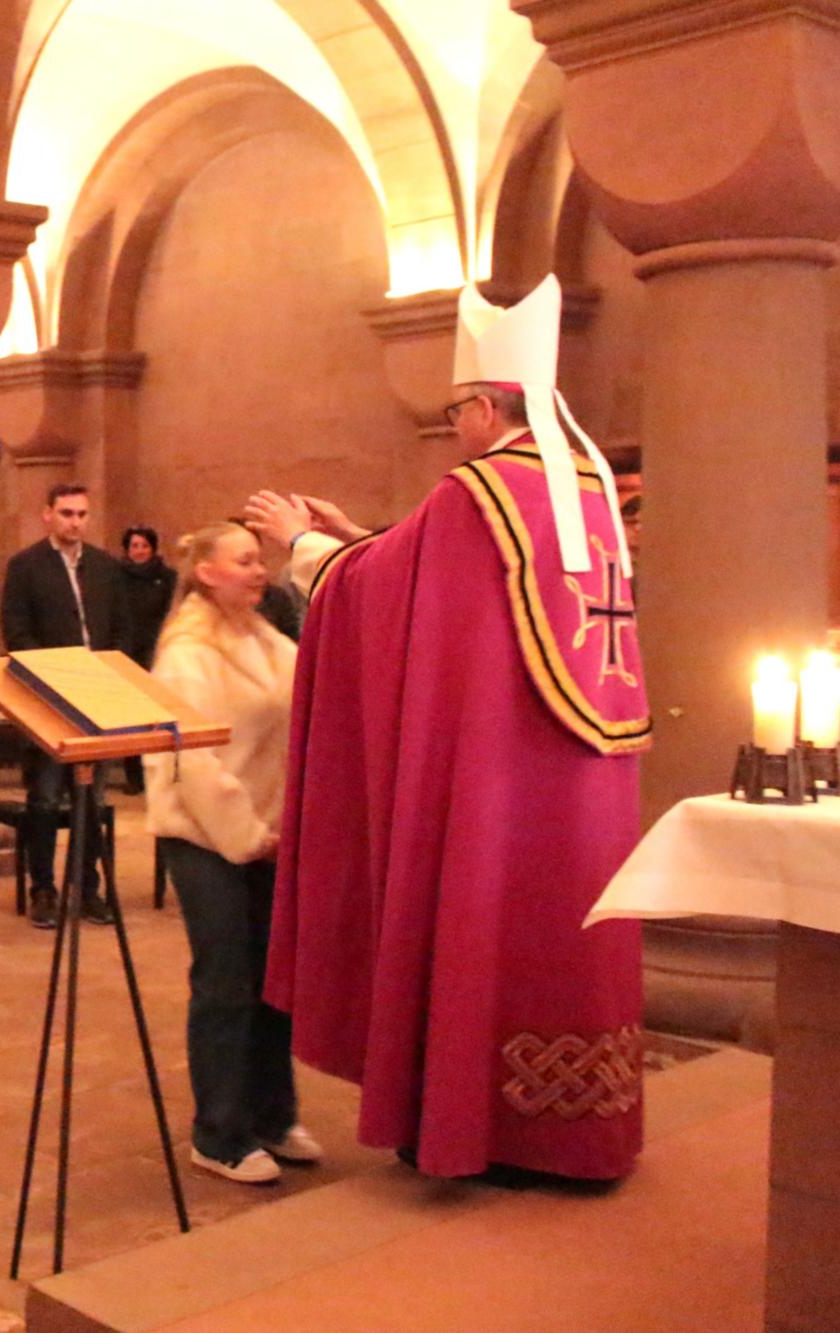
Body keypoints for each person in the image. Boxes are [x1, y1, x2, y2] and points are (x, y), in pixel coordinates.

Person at [244, 276, 648, 1181]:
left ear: (482, 405)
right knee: (561, 938)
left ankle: (482, 1122)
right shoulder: (580, 485)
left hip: (497, 774)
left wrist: (302, 548)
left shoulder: (482, 488)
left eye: (455, 406)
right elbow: (452, 582)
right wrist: (371, 534)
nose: (453, 423)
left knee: (484, 917)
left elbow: (389, 596)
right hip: (575, 774)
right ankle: (577, 1125)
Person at [144, 523, 322, 1185]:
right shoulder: (187, 651)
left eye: (260, 559)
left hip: (271, 832)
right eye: (244, 560)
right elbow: (194, 758)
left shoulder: (263, 634)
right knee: (226, 981)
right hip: (206, 835)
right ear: (208, 572)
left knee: (275, 980)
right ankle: (219, 1132)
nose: (258, 571)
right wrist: (246, 833)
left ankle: (272, 1114)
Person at [0, 482, 128, 928]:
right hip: (50, 700)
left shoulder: (105, 567)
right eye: (67, 512)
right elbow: (16, 632)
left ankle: (88, 887)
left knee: (91, 798)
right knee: (45, 799)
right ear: (47, 515)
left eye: (82, 514)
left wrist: (109, 673)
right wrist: (56, 676)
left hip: (98, 701)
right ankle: (43, 889)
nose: (76, 521)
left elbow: (118, 629)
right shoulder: (26, 566)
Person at [117, 525, 174, 794]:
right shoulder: (116, 578)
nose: (139, 551)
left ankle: (158, 773)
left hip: (156, 652)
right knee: (130, 718)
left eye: (144, 546)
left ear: (153, 549)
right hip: (126, 654)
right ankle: (134, 777)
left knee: (156, 718)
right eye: (134, 546)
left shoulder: (167, 578)